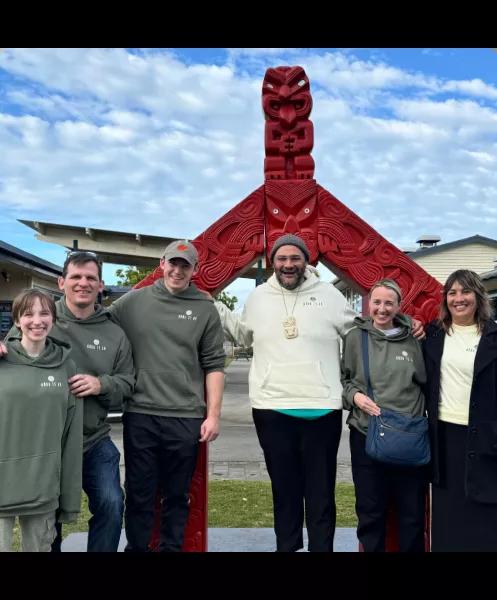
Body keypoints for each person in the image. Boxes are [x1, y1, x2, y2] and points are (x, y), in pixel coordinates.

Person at [215, 233, 425, 552]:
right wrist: (213, 305)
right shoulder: (257, 297)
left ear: (306, 261)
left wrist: (406, 323)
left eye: (294, 258)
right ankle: (286, 548)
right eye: (282, 259)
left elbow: (365, 326)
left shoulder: (329, 295)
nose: (288, 264)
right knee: (284, 491)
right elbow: (244, 334)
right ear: (273, 261)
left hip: (322, 408)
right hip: (271, 407)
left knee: (321, 492)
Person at [1, 251, 134, 552]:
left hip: (92, 439)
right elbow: (11, 353)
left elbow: (128, 382)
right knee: (48, 515)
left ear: (101, 285)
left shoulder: (115, 333)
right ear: (62, 282)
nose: (82, 283)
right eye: (76, 276)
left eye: (90, 278)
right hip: (43, 442)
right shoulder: (41, 316)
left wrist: (102, 384)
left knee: (112, 503)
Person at [109, 239, 225, 552]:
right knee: (139, 494)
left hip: (185, 416)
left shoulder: (205, 308)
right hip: (141, 413)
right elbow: (96, 326)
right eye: (172, 262)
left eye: (184, 265)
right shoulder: (133, 302)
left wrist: (213, 414)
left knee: (177, 495)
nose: (177, 270)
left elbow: (214, 364)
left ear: (194, 270)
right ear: (162, 263)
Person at [341, 279, 428, 552]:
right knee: (370, 512)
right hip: (367, 434)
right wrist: (354, 397)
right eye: (376, 302)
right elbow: (342, 380)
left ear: (398, 306)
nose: (382, 308)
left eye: (389, 303)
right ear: (369, 305)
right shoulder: (355, 337)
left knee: (412, 515)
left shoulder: (415, 338)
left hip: (410, 437)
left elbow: (430, 381)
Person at [0, 289, 83, 552]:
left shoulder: (65, 366)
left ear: (53, 319)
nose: (37, 321)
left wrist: (68, 496)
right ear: (16, 321)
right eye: (28, 314)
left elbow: (71, 435)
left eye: (44, 313)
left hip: (42, 487)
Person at [424, 269, 497, 551]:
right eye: (452, 293)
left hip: (486, 437)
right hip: (444, 437)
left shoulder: (493, 335)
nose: (459, 298)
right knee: (448, 516)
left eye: (465, 292)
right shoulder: (433, 334)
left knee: (484, 513)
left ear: (478, 296)